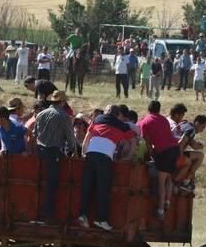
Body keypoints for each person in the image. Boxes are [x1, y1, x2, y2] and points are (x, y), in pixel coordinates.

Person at [78, 105, 135, 231]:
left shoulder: (97, 119)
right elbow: (133, 142)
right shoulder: (122, 125)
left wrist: (84, 152)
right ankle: (101, 220)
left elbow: (87, 136)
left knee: (87, 187)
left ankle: (83, 215)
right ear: (117, 114)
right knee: (103, 190)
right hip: (104, 158)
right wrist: (128, 157)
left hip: (90, 155)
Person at [32, 91, 76, 225]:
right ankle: (49, 215)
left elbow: (35, 134)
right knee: (52, 185)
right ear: (62, 102)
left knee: (37, 183)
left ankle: (36, 212)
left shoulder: (41, 114)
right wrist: (73, 150)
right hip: (53, 153)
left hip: (39, 151)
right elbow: (70, 137)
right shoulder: (64, 116)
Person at [138, 101, 179, 220]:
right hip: (174, 149)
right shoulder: (164, 120)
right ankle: (167, 201)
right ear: (159, 109)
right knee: (168, 177)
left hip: (164, 151)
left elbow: (147, 141)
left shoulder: (145, 121)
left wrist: (151, 153)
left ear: (148, 109)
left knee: (161, 181)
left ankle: (161, 210)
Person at [173, 115, 206, 193]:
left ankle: (186, 180)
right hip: (174, 153)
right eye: (202, 127)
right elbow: (181, 143)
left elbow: (192, 144)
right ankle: (185, 182)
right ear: (197, 123)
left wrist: (198, 145)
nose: (202, 130)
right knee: (200, 156)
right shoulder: (192, 129)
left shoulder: (184, 123)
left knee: (198, 155)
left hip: (168, 149)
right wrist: (180, 158)